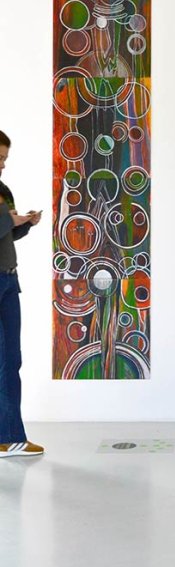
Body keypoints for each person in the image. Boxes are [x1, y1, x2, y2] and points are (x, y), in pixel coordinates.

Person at [0, 130, 43, 458]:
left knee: (13, 359)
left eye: (5, 159)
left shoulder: (4, 191)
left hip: (9, 280)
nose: (3, 164)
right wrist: (7, 219)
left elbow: (8, 233)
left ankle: (14, 436)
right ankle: (5, 438)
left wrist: (25, 223)